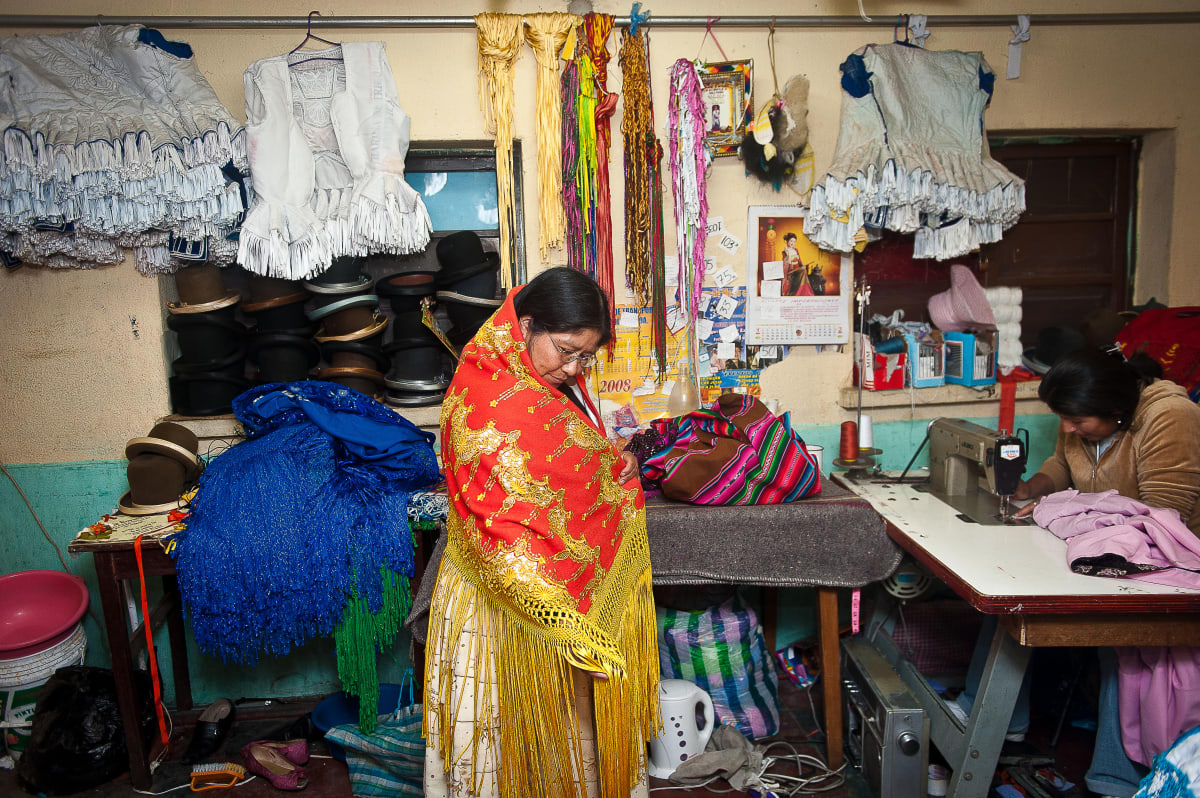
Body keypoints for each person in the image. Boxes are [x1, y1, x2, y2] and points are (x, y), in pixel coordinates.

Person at [423, 267, 658, 798]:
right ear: (525, 323)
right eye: (567, 350)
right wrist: (568, 627)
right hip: (500, 594)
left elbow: (570, 469)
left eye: (586, 357)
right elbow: (500, 520)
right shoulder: (485, 392)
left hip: (567, 592)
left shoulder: (546, 381)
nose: (575, 368)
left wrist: (611, 468)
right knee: (506, 741)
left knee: (572, 743)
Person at [954, 346, 1200, 798]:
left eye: (1076, 421)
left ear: (1117, 408)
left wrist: (1071, 520)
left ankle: (1114, 778)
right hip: (1103, 548)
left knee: (1120, 641)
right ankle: (998, 720)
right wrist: (1030, 490)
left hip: (1166, 565)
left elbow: (1166, 515)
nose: (1067, 428)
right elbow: (1061, 466)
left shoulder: (1171, 416)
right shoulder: (1087, 416)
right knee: (1010, 590)